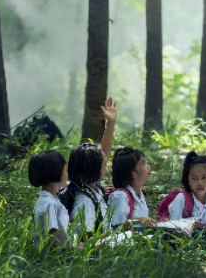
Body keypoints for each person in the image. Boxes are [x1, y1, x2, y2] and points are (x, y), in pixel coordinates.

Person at [65, 97, 117, 240]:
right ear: (94, 169)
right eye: (103, 164)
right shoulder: (85, 201)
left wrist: (111, 123)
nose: (106, 165)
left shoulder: (94, 188)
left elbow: (103, 154)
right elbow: (87, 237)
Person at [160, 151, 206, 226]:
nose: (200, 183)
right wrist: (195, 226)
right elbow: (175, 226)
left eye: (204, 177)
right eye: (194, 178)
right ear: (187, 180)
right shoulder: (181, 199)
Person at [108, 146, 157, 229]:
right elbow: (114, 227)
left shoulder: (139, 194)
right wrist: (138, 221)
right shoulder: (120, 196)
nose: (148, 166)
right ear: (132, 174)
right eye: (143, 163)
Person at [29, 150, 69, 248]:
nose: (67, 174)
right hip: (57, 258)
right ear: (57, 172)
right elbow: (52, 241)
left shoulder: (52, 199)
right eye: (65, 170)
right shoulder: (49, 203)